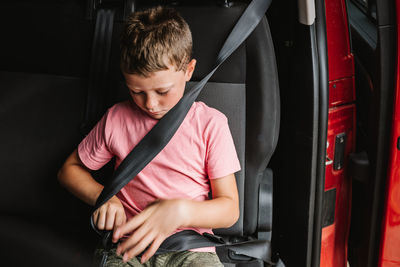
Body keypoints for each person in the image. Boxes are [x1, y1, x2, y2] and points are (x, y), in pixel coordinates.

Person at [58, 6, 240, 267]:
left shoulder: (210, 124)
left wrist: (180, 211)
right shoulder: (116, 119)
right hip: (128, 244)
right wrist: (104, 197)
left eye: (162, 91)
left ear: (189, 71)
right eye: (136, 92)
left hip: (190, 248)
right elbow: (69, 171)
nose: (151, 104)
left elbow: (230, 209)